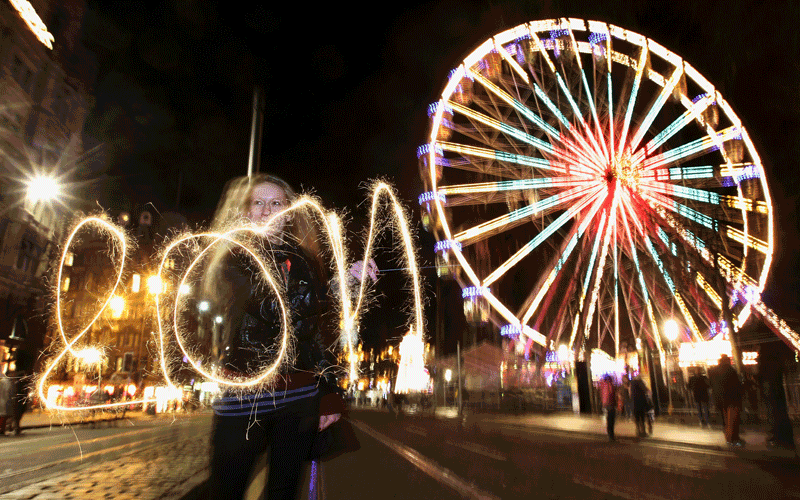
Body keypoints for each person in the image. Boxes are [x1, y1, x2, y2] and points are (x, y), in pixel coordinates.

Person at [205, 174, 366, 499]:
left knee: (283, 491)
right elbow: (272, 307)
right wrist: (336, 290)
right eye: (258, 203)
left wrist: (329, 393)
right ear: (246, 211)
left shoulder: (305, 263)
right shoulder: (232, 258)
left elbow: (315, 337)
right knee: (225, 489)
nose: (266, 210)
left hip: (297, 396)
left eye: (275, 202)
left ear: (289, 212)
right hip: (243, 395)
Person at [718, 354, 744, 446]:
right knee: (733, 420)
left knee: (726, 421)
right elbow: (735, 385)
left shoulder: (717, 371)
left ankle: (728, 438)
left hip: (722, 400)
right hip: (732, 399)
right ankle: (734, 439)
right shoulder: (730, 371)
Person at [599, 374, 617, 441]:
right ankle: (611, 435)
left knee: (609, 420)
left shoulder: (603, 385)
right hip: (610, 405)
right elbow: (610, 395)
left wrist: (604, 404)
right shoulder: (609, 385)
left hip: (607, 405)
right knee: (611, 421)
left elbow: (602, 395)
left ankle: (610, 435)